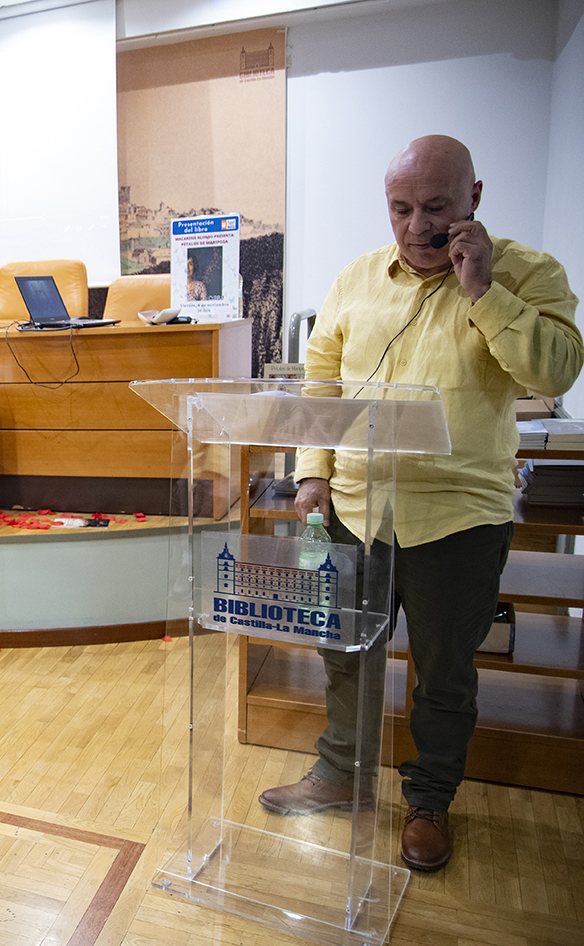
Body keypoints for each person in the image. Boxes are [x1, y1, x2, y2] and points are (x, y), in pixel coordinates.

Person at [258, 136, 580, 872]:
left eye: (434, 207)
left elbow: (555, 369)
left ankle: (429, 799)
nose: (416, 226)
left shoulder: (528, 273)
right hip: (353, 508)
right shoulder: (357, 277)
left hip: (457, 516)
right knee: (343, 650)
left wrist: (483, 290)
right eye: (400, 208)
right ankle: (339, 772)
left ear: (473, 198)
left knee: (443, 670)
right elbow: (322, 380)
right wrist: (312, 473)